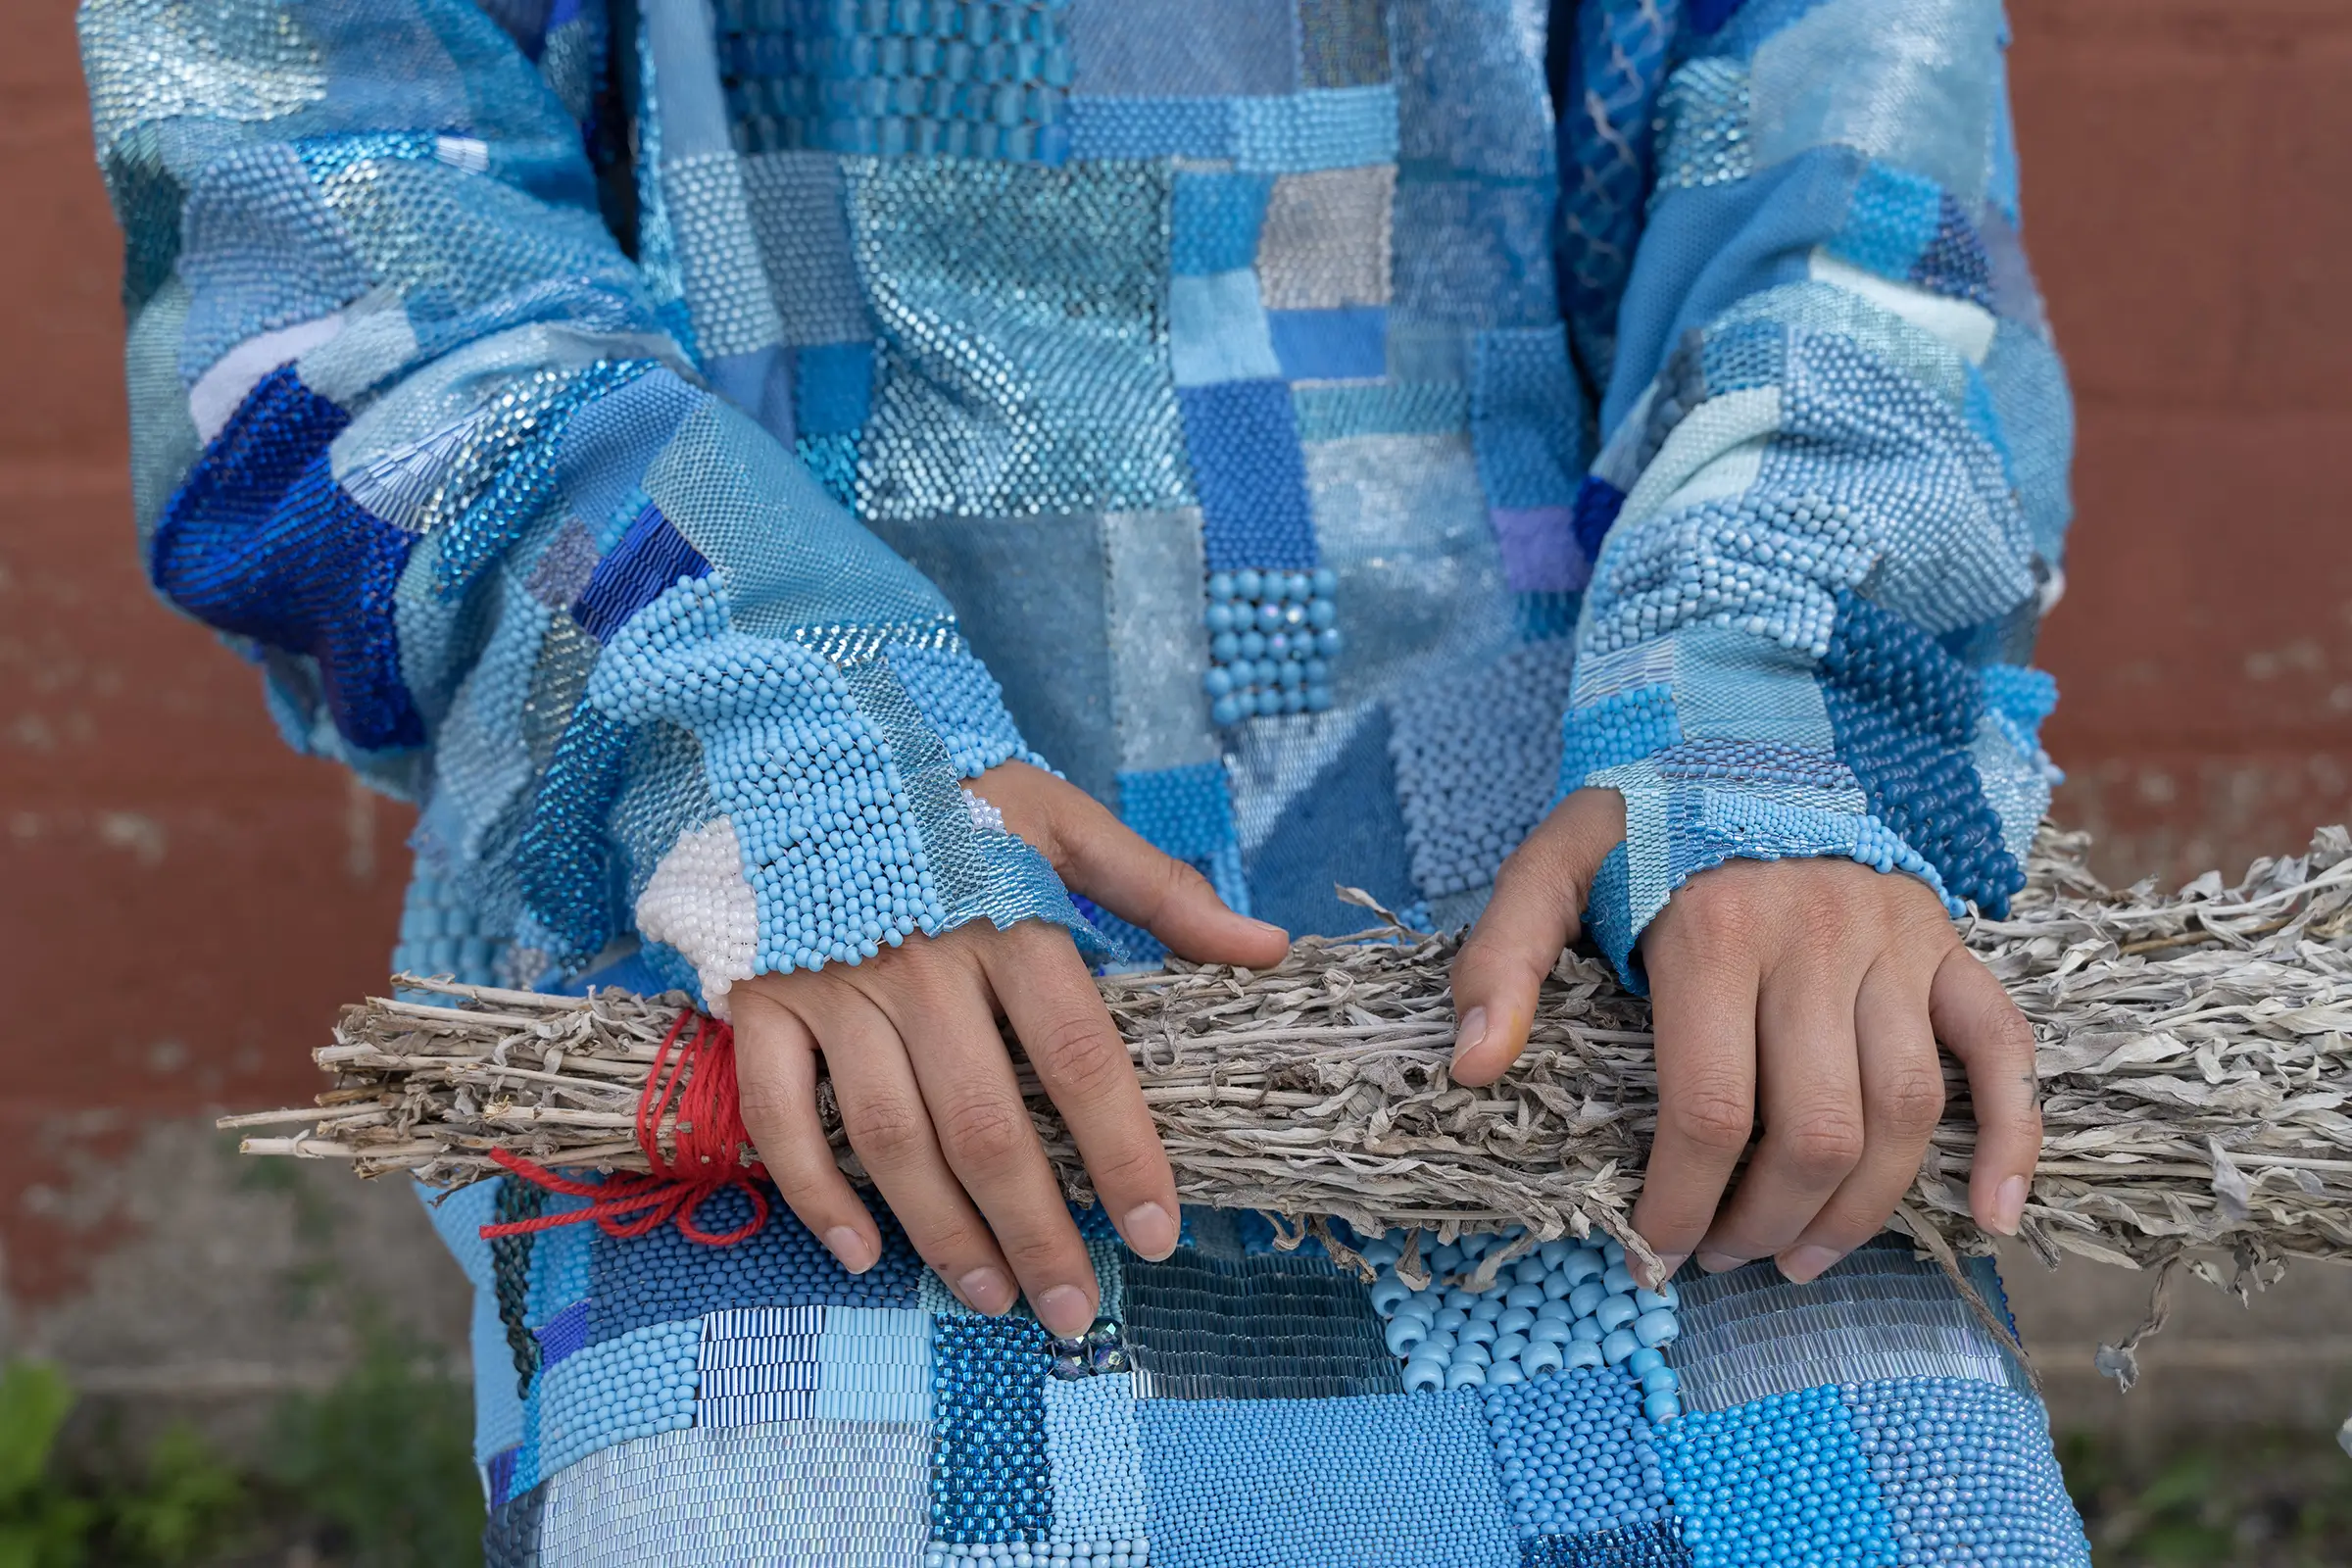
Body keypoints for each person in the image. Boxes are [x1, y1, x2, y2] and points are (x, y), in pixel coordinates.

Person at [80, 0, 2085, 1561]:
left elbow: (1853, 150)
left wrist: (1773, 695)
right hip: (776, 952)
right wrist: (784, 746)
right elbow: (325, 215)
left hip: (1602, 955)